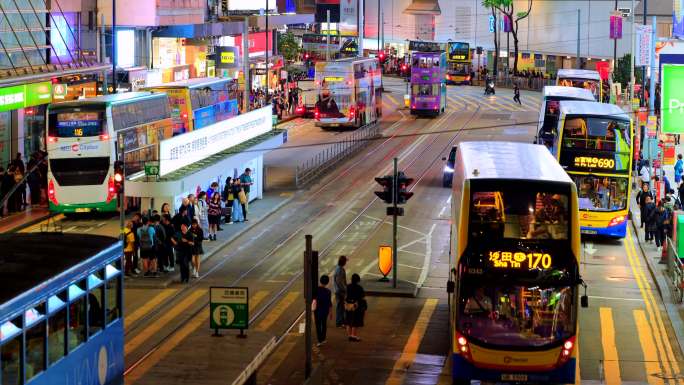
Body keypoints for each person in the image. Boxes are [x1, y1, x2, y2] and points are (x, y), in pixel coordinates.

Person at [345, 273, 366, 342]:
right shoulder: (359, 288)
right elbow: (362, 297)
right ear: (358, 280)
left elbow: (345, 295)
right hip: (355, 305)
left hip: (348, 305)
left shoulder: (347, 286)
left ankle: (349, 335)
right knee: (355, 321)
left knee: (348, 320)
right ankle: (353, 335)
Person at [313, 274, 333, 347]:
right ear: (327, 282)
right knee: (324, 324)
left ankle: (319, 340)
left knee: (318, 325)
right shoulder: (328, 291)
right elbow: (329, 303)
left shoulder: (316, 289)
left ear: (320, 281)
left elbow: (313, 300)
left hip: (317, 310)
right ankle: (323, 339)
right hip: (325, 310)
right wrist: (331, 312)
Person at [333, 255, 348, 328]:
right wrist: (345, 289)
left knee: (341, 307)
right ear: (343, 262)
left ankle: (341, 322)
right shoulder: (340, 270)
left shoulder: (339, 269)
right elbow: (340, 282)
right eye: (345, 261)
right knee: (340, 307)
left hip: (339, 291)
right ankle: (339, 323)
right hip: (340, 292)